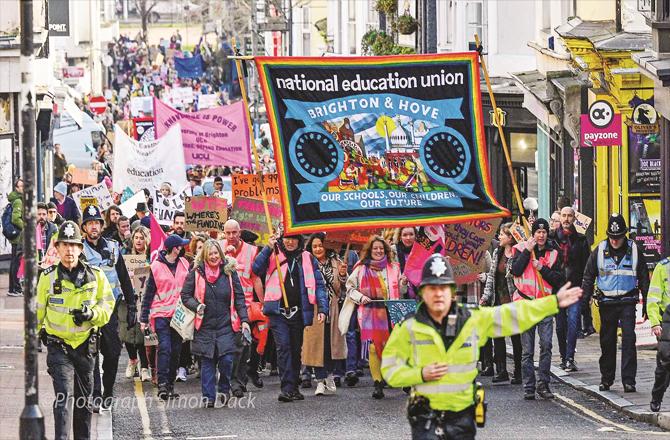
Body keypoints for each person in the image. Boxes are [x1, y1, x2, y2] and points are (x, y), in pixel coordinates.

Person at [381, 254, 583, 440]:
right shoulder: (408, 327)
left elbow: (513, 314)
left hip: (461, 418)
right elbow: (390, 370)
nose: (438, 294)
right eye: (432, 288)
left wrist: (553, 302)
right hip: (425, 418)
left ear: (452, 291)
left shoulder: (472, 320)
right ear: (422, 292)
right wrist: (420, 374)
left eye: (443, 288)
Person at [36, 221, 115, 440]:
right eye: (65, 245)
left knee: (84, 402)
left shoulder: (96, 275)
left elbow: (107, 306)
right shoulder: (47, 277)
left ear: (81, 248)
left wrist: (91, 315)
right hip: (58, 347)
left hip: (85, 348)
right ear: (57, 248)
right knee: (63, 398)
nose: (69, 250)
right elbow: (37, 312)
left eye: (74, 245)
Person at [252, 232, 328, 402]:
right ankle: (286, 388)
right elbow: (256, 269)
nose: (290, 242)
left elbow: (319, 284)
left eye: (293, 238)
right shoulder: (272, 253)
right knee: (284, 348)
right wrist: (268, 248)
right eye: (286, 238)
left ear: (299, 240)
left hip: (299, 312)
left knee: (295, 350)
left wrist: (323, 308)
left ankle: (293, 387)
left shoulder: (307, 257)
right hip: (278, 312)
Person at [581, 213, 649, 393]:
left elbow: (643, 278)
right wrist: (584, 302)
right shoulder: (599, 250)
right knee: (607, 342)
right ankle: (606, 379)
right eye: (612, 237)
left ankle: (629, 381)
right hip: (606, 303)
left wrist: (647, 304)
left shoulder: (634, 250)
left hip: (627, 301)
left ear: (624, 235)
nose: (615, 241)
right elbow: (588, 277)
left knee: (628, 340)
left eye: (618, 238)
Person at [181, 240, 250, 407]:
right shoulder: (196, 273)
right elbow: (185, 296)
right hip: (204, 325)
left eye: (216, 253)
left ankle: (224, 390)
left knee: (227, 360)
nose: (213, 257)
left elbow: (240, 298)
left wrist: (245, 320)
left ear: (220, 254)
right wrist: (197, 306)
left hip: (226, 324)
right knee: (207, 362)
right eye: (210, 254)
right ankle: (208, 397)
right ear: (204, 255)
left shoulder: (229, 272)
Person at [80, 205, 137, 411]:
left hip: (111, 309)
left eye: (97, 223)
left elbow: (124, 277)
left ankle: (108, 391)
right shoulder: (78, 250)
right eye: (90, 223)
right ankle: (95, 394)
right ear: (84, 227)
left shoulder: (113, 247)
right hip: (89, 311)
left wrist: (132, 306)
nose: (94, 227)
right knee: (91, 354)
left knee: (112, 354)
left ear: (102, 226)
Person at [346, 235, 408, 399]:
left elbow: (401, 292)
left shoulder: (394, 267)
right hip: (371, 312)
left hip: (392, 311)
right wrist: (360, 298)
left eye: (381, 248)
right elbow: (350, 289)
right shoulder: (360, 268)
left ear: (386, 250)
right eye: (375, 248)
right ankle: (378, 383)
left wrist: (403, 283)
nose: (378, 251)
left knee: (392, 347)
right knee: (374, 347)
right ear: (370, 251)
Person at [510, 218, 564, 400]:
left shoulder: (554, 253)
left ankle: (543, 384)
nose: (541, 235)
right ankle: (529, 386)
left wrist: (542, 268)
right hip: (525, 304)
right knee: (527, 350)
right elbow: (516, 271)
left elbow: (558, 280)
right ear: (533, 233)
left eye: (544, 232)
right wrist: (527, 251)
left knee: (547, 345)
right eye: (538, 232)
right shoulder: (519, 249)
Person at [140, 234, 191, 400]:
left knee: (176, 351)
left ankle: (170, 386)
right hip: (161, 313)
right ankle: (162, 385)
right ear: (174, 249)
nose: (183, 247)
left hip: (179, 315)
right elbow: (148, 294)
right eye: (181, 245)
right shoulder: (156, 266)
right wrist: (143, 318)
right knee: (165, 348)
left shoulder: (185, 264)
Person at [220, 219, 265, 396]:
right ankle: (231, 379)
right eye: (228, 233)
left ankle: (238, 381)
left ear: (240, 232)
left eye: (234, 233)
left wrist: (262, 302)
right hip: (223, 304)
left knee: (242, 343)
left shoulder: (252, 251)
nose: (231, 236)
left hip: (243, 304)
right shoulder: (218, 248)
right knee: (228, 345)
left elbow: (255, 278)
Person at [303, 233, 348, 395]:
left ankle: (329, 376)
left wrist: (343, 275)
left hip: (333, 307)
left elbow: (343, 288)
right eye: (314, 246)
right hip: (314, 307)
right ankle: (320, 381)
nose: (317, 249)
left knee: (330, 345)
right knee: (316, 345)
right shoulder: (306, 262)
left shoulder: (337, 262)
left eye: (320, 245)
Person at [549, 206, 592, 371]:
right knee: (560, 326)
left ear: (574, 218)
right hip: (558, 289)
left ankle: (569, 358)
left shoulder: (581, 240)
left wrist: (585, 289)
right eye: (564, 216)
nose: (566, 219)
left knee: (573, 323)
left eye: (569, 216)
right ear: (560, 218)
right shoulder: (552, 239)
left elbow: (586, 267)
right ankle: (563, 355)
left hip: (574, 288)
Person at [481, 222, 522, 384]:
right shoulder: (497, 252)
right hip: (497, 300)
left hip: (512, 301)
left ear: (511, 238)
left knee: (515, 338)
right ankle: (502, 370)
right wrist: (485, 297)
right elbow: (491, 277)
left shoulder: (517, 253)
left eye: (502, 235)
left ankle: (518, 371)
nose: (499, 237)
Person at [120, 226, 151, 382]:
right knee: (127, 332)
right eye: (136, 237)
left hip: (144, 299)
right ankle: (133, 360)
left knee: (141, 334)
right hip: (127, 298)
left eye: (142, 237)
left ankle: (145, 367)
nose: (139, 240)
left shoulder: (151, 257)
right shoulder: (125, 254)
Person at [649, 257, 670, 412]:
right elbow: (653, 297)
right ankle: (657, 397)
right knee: (665, 363)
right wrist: (655, 322)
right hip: (667, 320)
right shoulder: (663, 267)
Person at [7, 178, 23, 297]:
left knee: (14, 262)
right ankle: (16, 288)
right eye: (21, 186)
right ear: (17, 188)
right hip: (18, 236)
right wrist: (26, 227)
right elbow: (15, 219)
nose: (23, 189)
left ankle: (12, 288)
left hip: (16, 236)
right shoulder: (18, 201)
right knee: (16, 262)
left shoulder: (17, 199)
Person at [395, 226, 418, 299]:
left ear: (416, 236)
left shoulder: (422, 251)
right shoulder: (392, 253)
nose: (408, 238)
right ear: (400, 237)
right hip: (402, 300)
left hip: (421, 299)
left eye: (411, 234)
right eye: (405, 235)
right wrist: (403, 282)